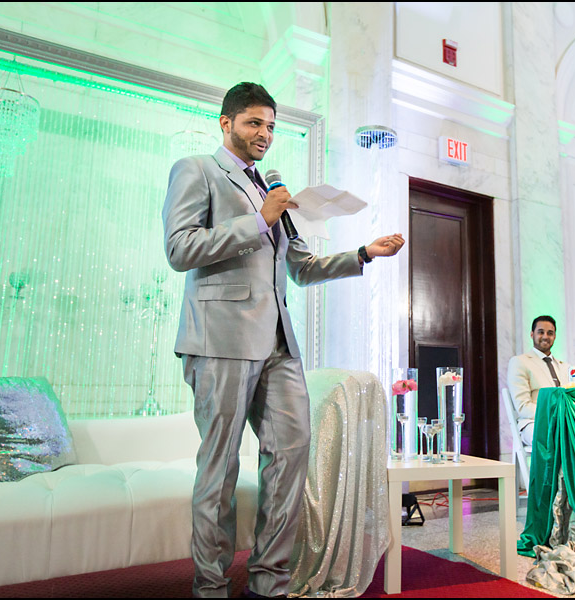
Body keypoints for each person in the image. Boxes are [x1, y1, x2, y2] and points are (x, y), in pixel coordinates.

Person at [162, 82, 405, 599]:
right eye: (254, 123)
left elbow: (300, 268)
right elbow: (180, 248)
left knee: (292, 451)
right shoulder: (197, 170)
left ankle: (269, 584)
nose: (265, 135)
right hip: (219, 338)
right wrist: (259, 219)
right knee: (220, 464)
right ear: (225, 123)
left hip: (278, 344)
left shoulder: (274, 193)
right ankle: (209, 588)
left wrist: (363, 252)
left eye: (271, 125)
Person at [506, 315, 568, 446]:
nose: (545, 336)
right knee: (551, 437)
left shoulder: (565, 366)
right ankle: (547, 468)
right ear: (532, 334)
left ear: (555, 336)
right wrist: (554, 414)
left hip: (564, 421)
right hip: (533, 422)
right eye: (541, 332)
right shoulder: (520, 362)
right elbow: (522, 407)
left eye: (550, 333)